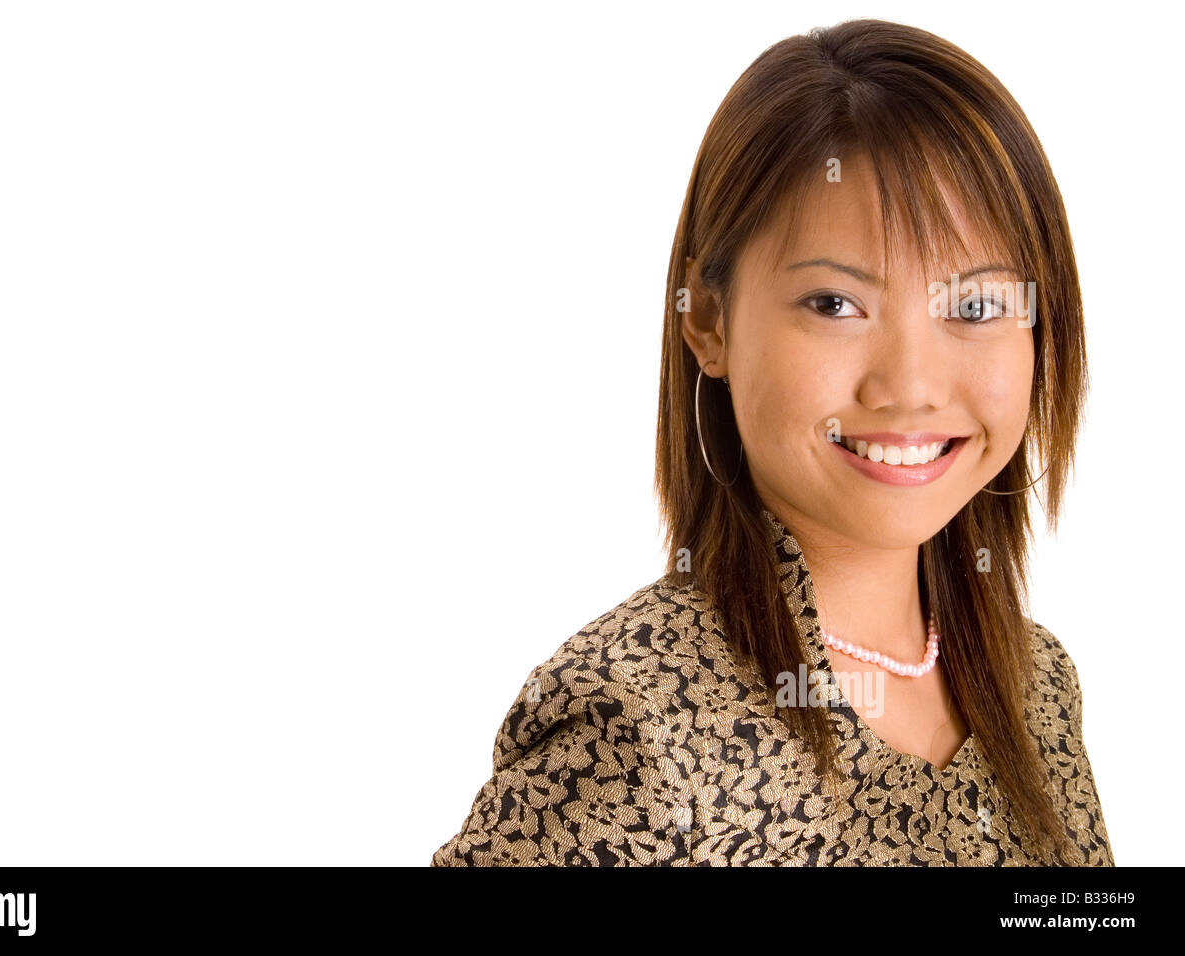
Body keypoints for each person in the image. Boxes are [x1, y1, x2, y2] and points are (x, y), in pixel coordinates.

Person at [430, 18, 1114, 866]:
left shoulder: (1036, 685)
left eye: (973, 306)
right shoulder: (640, 723)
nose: (910, 386)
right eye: (835, 304)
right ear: (710, 323)